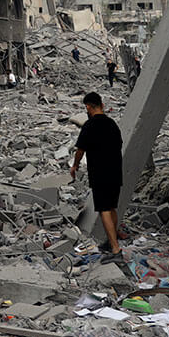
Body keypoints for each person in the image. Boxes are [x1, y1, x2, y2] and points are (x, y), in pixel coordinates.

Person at [70, 93, 123, 258]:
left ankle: (115, 249)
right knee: (112, 207)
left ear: (88, 107)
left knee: (104, 209)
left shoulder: (90, 125)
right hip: (115, 171)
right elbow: (118, 144)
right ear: (102, 105)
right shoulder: (112, 124)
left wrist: (75, 165)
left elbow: (80, 150)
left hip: (100, 173)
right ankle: (110, 241)